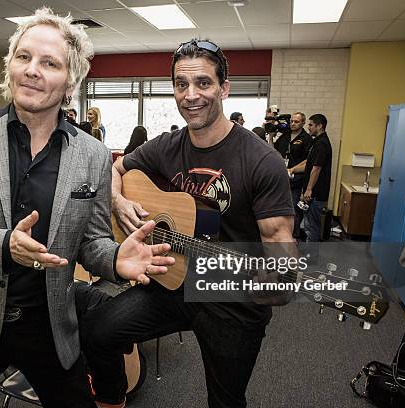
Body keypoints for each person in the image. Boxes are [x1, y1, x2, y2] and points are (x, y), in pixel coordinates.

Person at [0, 8, 174, 408]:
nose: (32, 70)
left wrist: (116, 259)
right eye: (23, 57)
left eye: (49, 62)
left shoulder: (92, 155)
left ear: (71, 82)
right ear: (10, 67)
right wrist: (3, 246)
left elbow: (91, 242)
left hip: (51, 324)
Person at [80, 38, 295, 408]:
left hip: (232, 297)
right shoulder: (166, 146)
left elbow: (278, 239)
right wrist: (119, 201)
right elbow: (115, 169)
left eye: (203, 83)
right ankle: (111, 400)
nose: (191, 95)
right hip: (173, 283)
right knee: (98, 331)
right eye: (181, 85)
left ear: (224, 88)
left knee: (225, 401)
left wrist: (279, 276)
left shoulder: (262, 160)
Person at [300, 113, 332, 242]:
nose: (308, 127)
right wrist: (291, 169)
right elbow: (309, 163)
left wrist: (308, 189)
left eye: (311, 125)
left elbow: (316, 168)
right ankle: (309, 254)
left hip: (316, 193)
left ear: (320, 126)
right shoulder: (316, 142)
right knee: (309, 225)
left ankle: (310, 259)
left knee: (311, 227)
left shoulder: (322, 144)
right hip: (313, 192)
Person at [286, 112, 312, 240]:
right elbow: (272, 151)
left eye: (296, 122)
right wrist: (272, 135)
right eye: (291, 121)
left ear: (303, 123)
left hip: (296, 181)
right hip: (282, 180)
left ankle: (294, 236)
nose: (293, 123)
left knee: (294, 211)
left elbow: (309, 162)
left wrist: (292, 170)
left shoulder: (306, 139)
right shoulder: (285, 136)